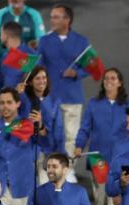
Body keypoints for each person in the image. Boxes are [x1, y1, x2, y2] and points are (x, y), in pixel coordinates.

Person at [73, 68, 129, 205]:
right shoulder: (94, 104)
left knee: (115, 204)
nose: (109, 81)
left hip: (120, 160)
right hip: (97, 160)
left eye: (113, 78)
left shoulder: (128, 106)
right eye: (106, 78)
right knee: (100, 204)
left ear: (120, 82)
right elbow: (85, 128)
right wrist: (78, 145)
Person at [37, 4, 91, 154]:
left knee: (71, 136)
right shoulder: (44, 41)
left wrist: (76, 73)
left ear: (67, 20)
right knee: (47, 134)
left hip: (72, 97)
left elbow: (89, 67)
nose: (52, 20)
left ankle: (67, 169)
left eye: (55, 17)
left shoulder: (81, 41)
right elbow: (37, 66)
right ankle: (47, 168)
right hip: (50, 97)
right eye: (51, 17)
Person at [0, 87, 38, 205]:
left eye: (9, 102)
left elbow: (45, 143)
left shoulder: (26, 125)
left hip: (21, 184)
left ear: (18, 103)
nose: (5, 106)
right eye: (2, 103)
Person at [20, 65, 66, 183]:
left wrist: (61, 153)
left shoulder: (54, 101)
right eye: (37, 78)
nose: (42, 81)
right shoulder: (23, 100)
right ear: (30, 82)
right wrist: (17, 95)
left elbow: (59, 129)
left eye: (44, 77)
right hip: (27, 150)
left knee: (46, 187)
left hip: (47, 151)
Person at [0, 21, 35, 101]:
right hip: (9, 107)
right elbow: (0, 83)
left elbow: (32, 86)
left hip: (25, 108)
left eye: (1, 34)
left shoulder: (30, 56)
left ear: (6, 35)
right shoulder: (5, 57)